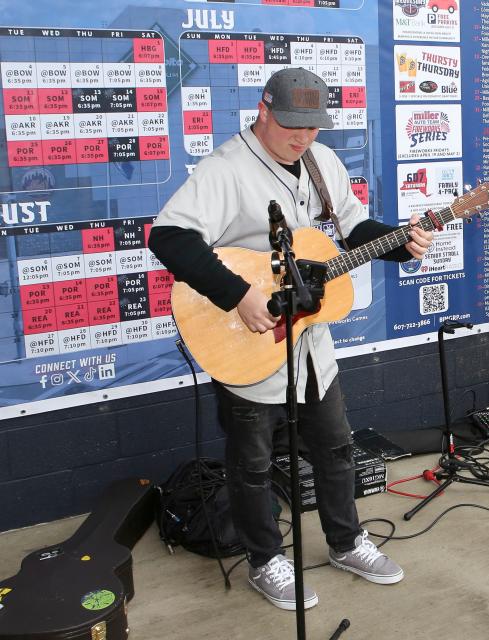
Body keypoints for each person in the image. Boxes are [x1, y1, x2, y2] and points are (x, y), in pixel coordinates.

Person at [148, 68, 434, 610]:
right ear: (263, 108)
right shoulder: (226, 168)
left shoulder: (322, 163)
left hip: (308, 339)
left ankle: (346, 542)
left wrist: (401, 243)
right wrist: (237, 294)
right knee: (252, 462)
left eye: (311, 127)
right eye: (290, 125)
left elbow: (353, 229)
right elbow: (169, 235)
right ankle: (264, 560)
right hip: (247, 335)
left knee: (335, 445)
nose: (301, 137)